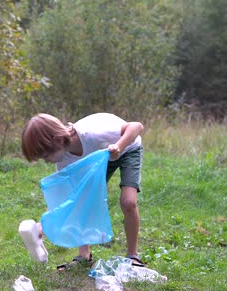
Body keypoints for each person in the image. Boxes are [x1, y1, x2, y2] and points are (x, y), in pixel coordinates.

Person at [21, 112, 145, 267]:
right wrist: (44, 223)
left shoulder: (92, 134)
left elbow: (137, 126)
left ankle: (133, 255)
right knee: (81, 199)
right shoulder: (65, 161)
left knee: (128, 202)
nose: (46, 161)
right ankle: (84, 254)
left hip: (127, 148)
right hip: (99, 157)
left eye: (46, 155)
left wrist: (119, 146)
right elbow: (66, 196)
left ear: (57, 140)